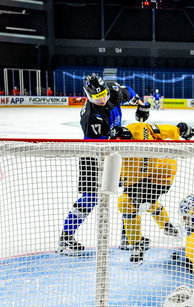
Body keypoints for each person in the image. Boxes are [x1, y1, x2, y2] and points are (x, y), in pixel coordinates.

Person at [56, 73, 147, 255]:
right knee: (91, 198)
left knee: (131, 190)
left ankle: (128, 237)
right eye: (97, 97)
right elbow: (101, 143)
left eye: (104, 94)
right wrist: (117, 135)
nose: (103, 99)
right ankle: (65, 239)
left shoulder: (112, 90)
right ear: (88, 96)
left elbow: (129, 92)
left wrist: (141, 105)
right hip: (93, 156)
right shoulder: (90, 117)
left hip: (114, 154)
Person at [108, 121, 194, 262]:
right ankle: (158, 230)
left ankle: (139, 241)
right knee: (130, 203)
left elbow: (161, 129)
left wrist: (180, 130)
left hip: (163, 173)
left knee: (136, 202)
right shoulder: (122, 164)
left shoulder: (139, 129)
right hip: (139, 179)